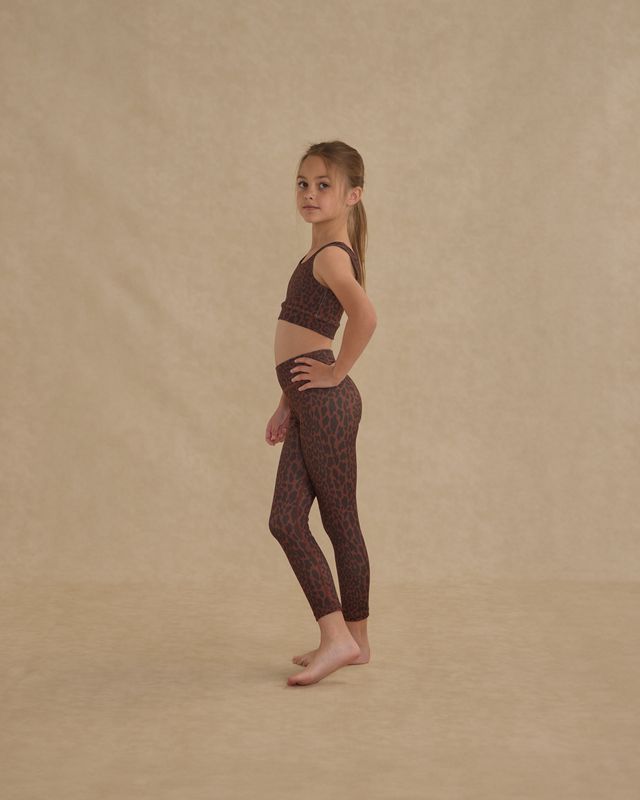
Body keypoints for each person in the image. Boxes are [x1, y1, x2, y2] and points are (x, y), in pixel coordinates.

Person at [265, 140, 377, 686]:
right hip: (309, 400)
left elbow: (365, 316)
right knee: (287, 520)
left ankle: (343, 639)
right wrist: (288, 398)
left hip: (328, 401)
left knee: (338, 521)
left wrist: (333, 373)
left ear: (352, 195)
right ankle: (350, 641)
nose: (310, 193)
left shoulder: (332, 254)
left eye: (324, 185)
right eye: (302, 183)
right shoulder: (317, 254)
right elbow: (302, 332)